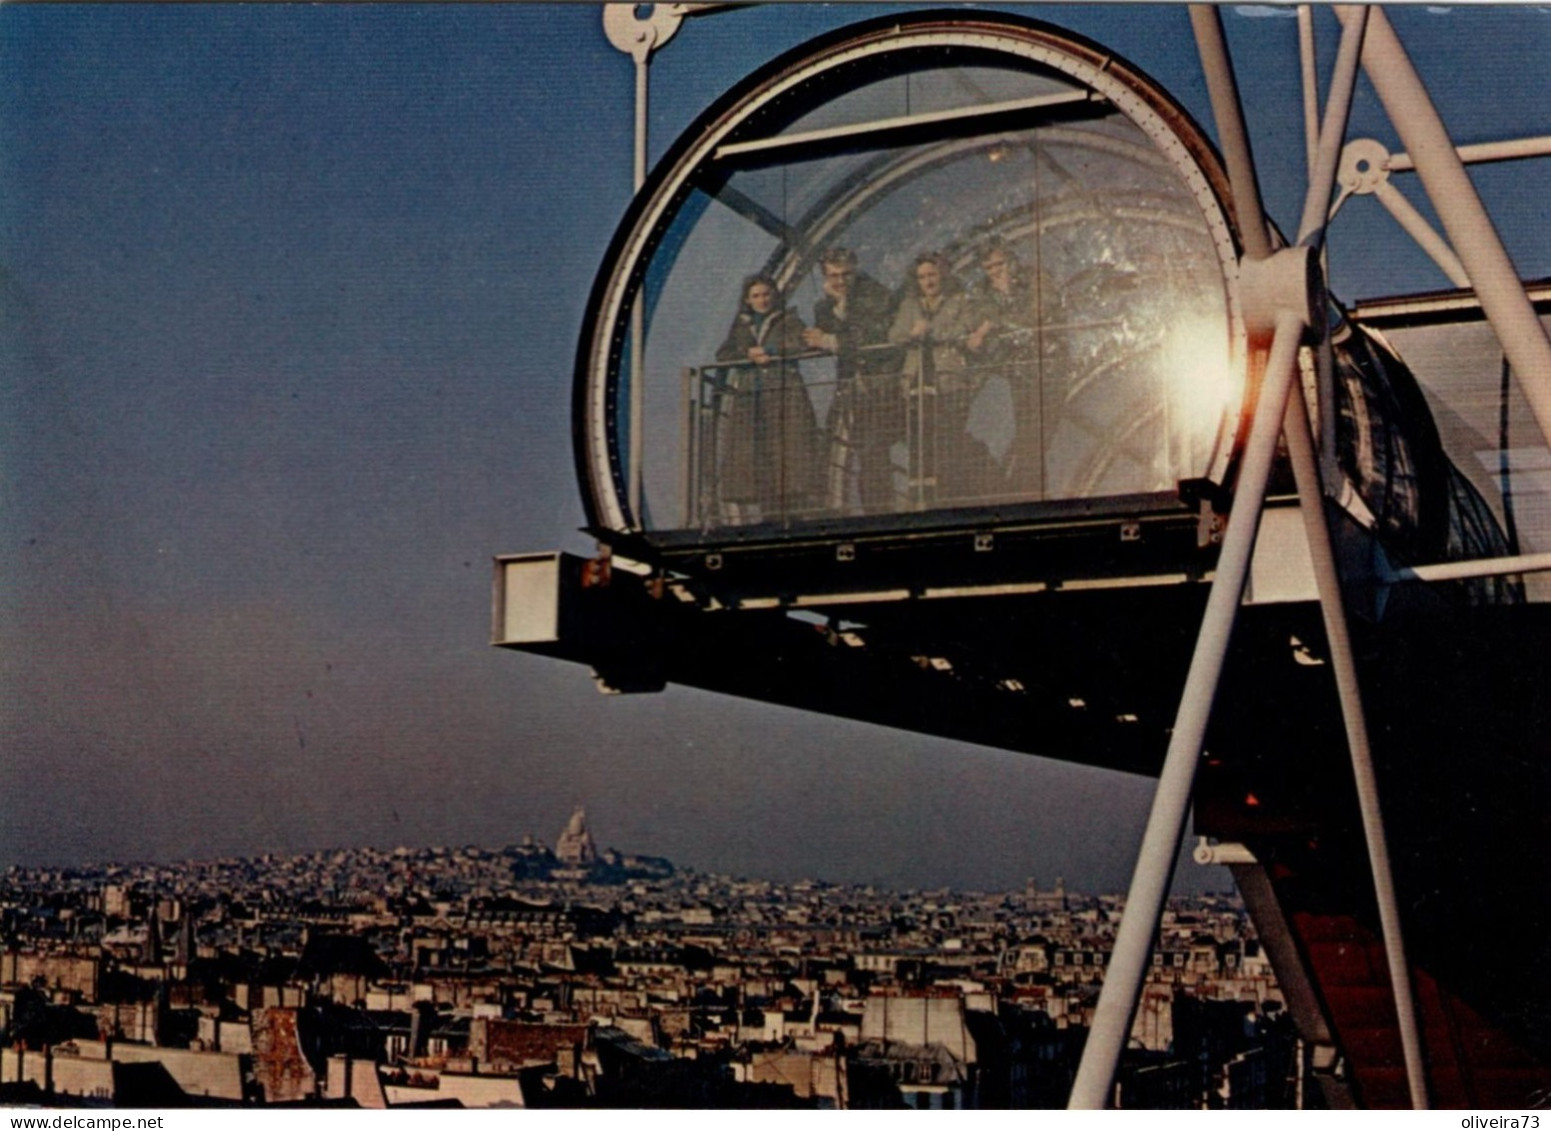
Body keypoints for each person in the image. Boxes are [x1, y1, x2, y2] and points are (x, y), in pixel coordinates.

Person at [713, 274, 820, 523]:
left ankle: (792, 513)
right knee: (759, 454)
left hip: (785, 397)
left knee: (787, 452)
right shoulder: (741, 325)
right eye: (756, 296)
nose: (762, 300)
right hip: (752, 401)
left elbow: (801, 342)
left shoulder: (788, 319)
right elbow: (723, 353)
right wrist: (746, 353)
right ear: (748, 300)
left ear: (774, 295)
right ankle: (768, 514)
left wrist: (770, 351)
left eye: (766, 294)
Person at [802, 248, 898, 514]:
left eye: (845, 274)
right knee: (862, 448)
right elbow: (821, 334)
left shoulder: (875, 294)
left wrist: (834, 336)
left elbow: (874, 335)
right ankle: (872, 509)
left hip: (881, 384)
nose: (840, 281)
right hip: (852, 387)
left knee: (875, 449)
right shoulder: (825, 305)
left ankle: (880, 512)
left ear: (855, 271)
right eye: (834, 275)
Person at [889, 252, 989, 506]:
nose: (928, 281)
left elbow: (966, 330)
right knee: (920, 441)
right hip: (916, 383)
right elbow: (895, 335)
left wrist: (931, 331)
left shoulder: (958, 302)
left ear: (942, 274)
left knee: (949, 439)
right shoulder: (910, 306)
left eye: (932, 275)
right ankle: (923, 497)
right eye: (922, 277)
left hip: (948, 381)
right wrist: (912, 333)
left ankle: (949, 495)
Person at [966, 237, 1053, 496]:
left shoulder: (1034, 278)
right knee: (1029, 430)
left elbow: (1039, 311)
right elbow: (975, 317)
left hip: (1049, 365)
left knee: (1041, 429)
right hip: (1018, 370)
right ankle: (1028, 489)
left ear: (1010, 261)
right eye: (989, 267)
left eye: (999, 264)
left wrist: (995, 323)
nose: (996, 271)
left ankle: (1029, 488)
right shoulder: (983, 291)